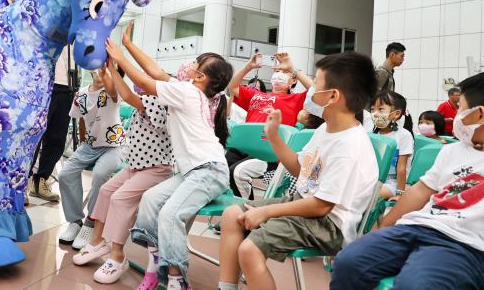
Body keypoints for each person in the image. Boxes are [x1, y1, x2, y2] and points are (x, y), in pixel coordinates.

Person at [217, 52, 379, 290]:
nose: (311, 91)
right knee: (232, 215)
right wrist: (273, 137)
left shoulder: (350, 145)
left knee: (250, 249)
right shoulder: (327, 129)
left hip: (328, 224)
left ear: (333, 96)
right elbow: (298, 168)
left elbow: (322, 206)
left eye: (317, 85)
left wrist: (268, 212)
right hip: (306, 205)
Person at [330, 72, 484, 289]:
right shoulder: (453, 151)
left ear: (479, 115)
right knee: (348, 262)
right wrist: (385, 225)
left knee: (414, 284)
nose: (455, 115)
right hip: (416, 227)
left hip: (463, 244)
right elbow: (421, 190)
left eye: (459, 107)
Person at [107, 38, 233, 290]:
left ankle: (176, 279)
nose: (189, 65)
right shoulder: (192, 91)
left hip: (209, 170)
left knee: (170, 214)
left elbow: (144, 82)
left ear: (200, 77)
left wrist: (121, 58)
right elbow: (154, 70)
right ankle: (157, 255)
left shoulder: (188, 92)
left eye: (195, 63)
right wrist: (128, 46)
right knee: (150, 199)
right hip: (191, 172)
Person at [73, 62, 173, 284]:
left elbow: (125, 94)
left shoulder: (160, 104)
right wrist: (109, 70)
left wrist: (118, 63)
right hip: (135, 166)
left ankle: (118, 256)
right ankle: (97, 242)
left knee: (119, 199)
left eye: (145, 79)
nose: (140, 82)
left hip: (157, 169)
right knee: (106, 191)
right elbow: (118, 90)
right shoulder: (145, 102)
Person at [225, 52, 312, 197]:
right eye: (276, 71)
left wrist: (293, 69)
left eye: (284, 72)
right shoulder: (256, 94)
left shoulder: (295, 99)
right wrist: (249, 66)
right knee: (222, 170)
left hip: (267, 151)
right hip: (243, 146)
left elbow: (316, 91)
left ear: (293, 81)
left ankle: (246, 210)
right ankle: (237, 209)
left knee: (237, 172)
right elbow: (232, 86)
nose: (278, 74)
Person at [58, 65, 125, 250]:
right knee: (65, 174)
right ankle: (75, 221)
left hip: (114, 146)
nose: (100, 72)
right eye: (98, 68)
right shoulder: (81, 94)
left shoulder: (115, 92)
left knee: (100, 174)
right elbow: (80, 118)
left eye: (108, 70)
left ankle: (91, 222)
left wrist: (108, 72)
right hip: (89, 146)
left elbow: (112, 90)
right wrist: (82, 143)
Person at [27, 47, 77, 203]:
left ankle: (41, 180)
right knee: (34, 136)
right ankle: (21, 183)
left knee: (57, 138)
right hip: (43, 83)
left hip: (67, 85)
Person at [370, 91, 414, 200]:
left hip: (393, 183)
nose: (375, 113)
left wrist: (400, 194)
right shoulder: (372, 133)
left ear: (396, 114)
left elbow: (401, 167)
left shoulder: (404, 135)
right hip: (373, 180)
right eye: (372, 109)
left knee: (367, 195)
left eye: (380, 109)